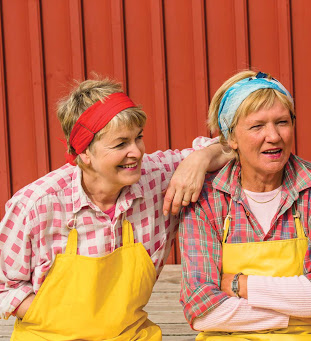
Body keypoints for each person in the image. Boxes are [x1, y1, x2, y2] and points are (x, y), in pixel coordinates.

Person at [0, 78, 230, 340]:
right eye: (121, 144)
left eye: (138, 138)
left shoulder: (157, 177)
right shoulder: (37, 205)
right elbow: (5, 287)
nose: (136, 152)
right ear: (84, 152)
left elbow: (233, 147)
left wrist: (199, 160)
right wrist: (64, 318)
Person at [179, 70, 311, 340]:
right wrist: (294, 313)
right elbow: (202, 311)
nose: (273, 136)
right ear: (231, 137)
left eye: (282, 122)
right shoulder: (207, 198)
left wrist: (238, 284)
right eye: (257, 126)